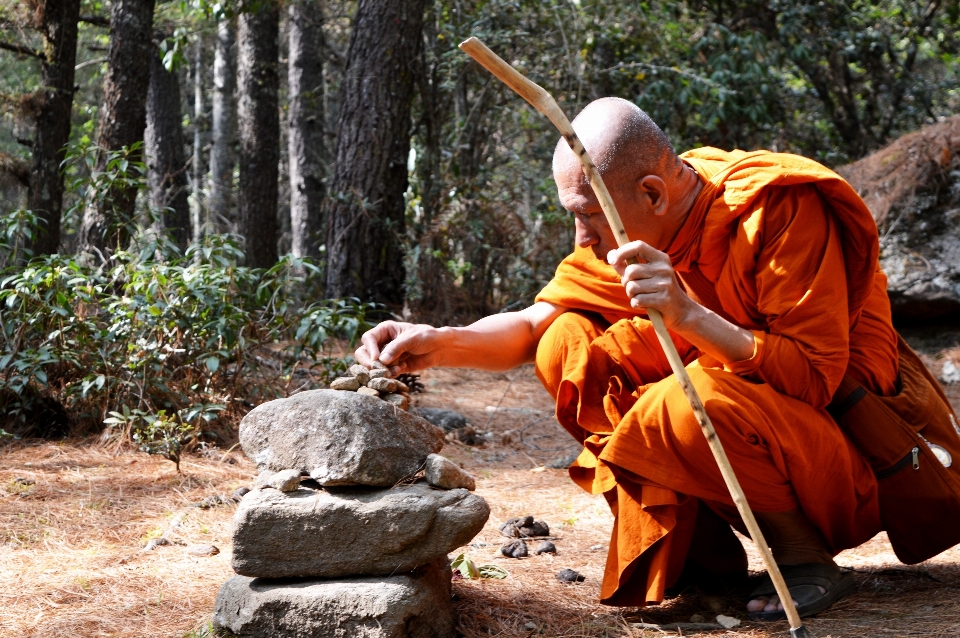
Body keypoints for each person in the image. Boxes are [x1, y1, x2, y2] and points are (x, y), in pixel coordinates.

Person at [355, 97, 903, 619]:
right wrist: (440, 341)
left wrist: (690, 316)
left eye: (589, 215)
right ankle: (703, 556)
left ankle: (800, 553)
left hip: (841, 454)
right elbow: (531, 325)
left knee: (686, 402)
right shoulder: (628, 231)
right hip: (741, 435)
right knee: (567, 341)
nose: (582, 236)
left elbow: (814, 379)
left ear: (653, 194)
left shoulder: (778, 209)